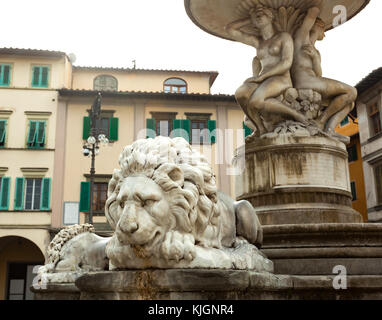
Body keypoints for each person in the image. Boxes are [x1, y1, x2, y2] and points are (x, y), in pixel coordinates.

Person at [226, 5, 308, 136]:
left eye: (262, 13)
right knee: (241, 94)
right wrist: (250, 19)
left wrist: (262, 77)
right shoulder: (258, 42)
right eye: (256, 15)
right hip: (263, 80)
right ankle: (260, 129)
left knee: (255, 101)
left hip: (281, 78)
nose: (259, 15)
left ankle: (295, 114)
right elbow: (230, 29)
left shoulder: (283, 37)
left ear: (271, 17)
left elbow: (287, 63)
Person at [291, 5, 357, 134]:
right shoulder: (301, 39)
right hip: (304, 82)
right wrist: (318, 5)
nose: (325, 33)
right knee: (351, 91)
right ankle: (321, 120)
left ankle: (330, 129)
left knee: (349, 103)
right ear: (315, 25)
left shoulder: (316, 51)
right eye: (323, 27)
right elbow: (312, 12)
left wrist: (315, 58)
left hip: (314, 82)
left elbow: (319, 75)